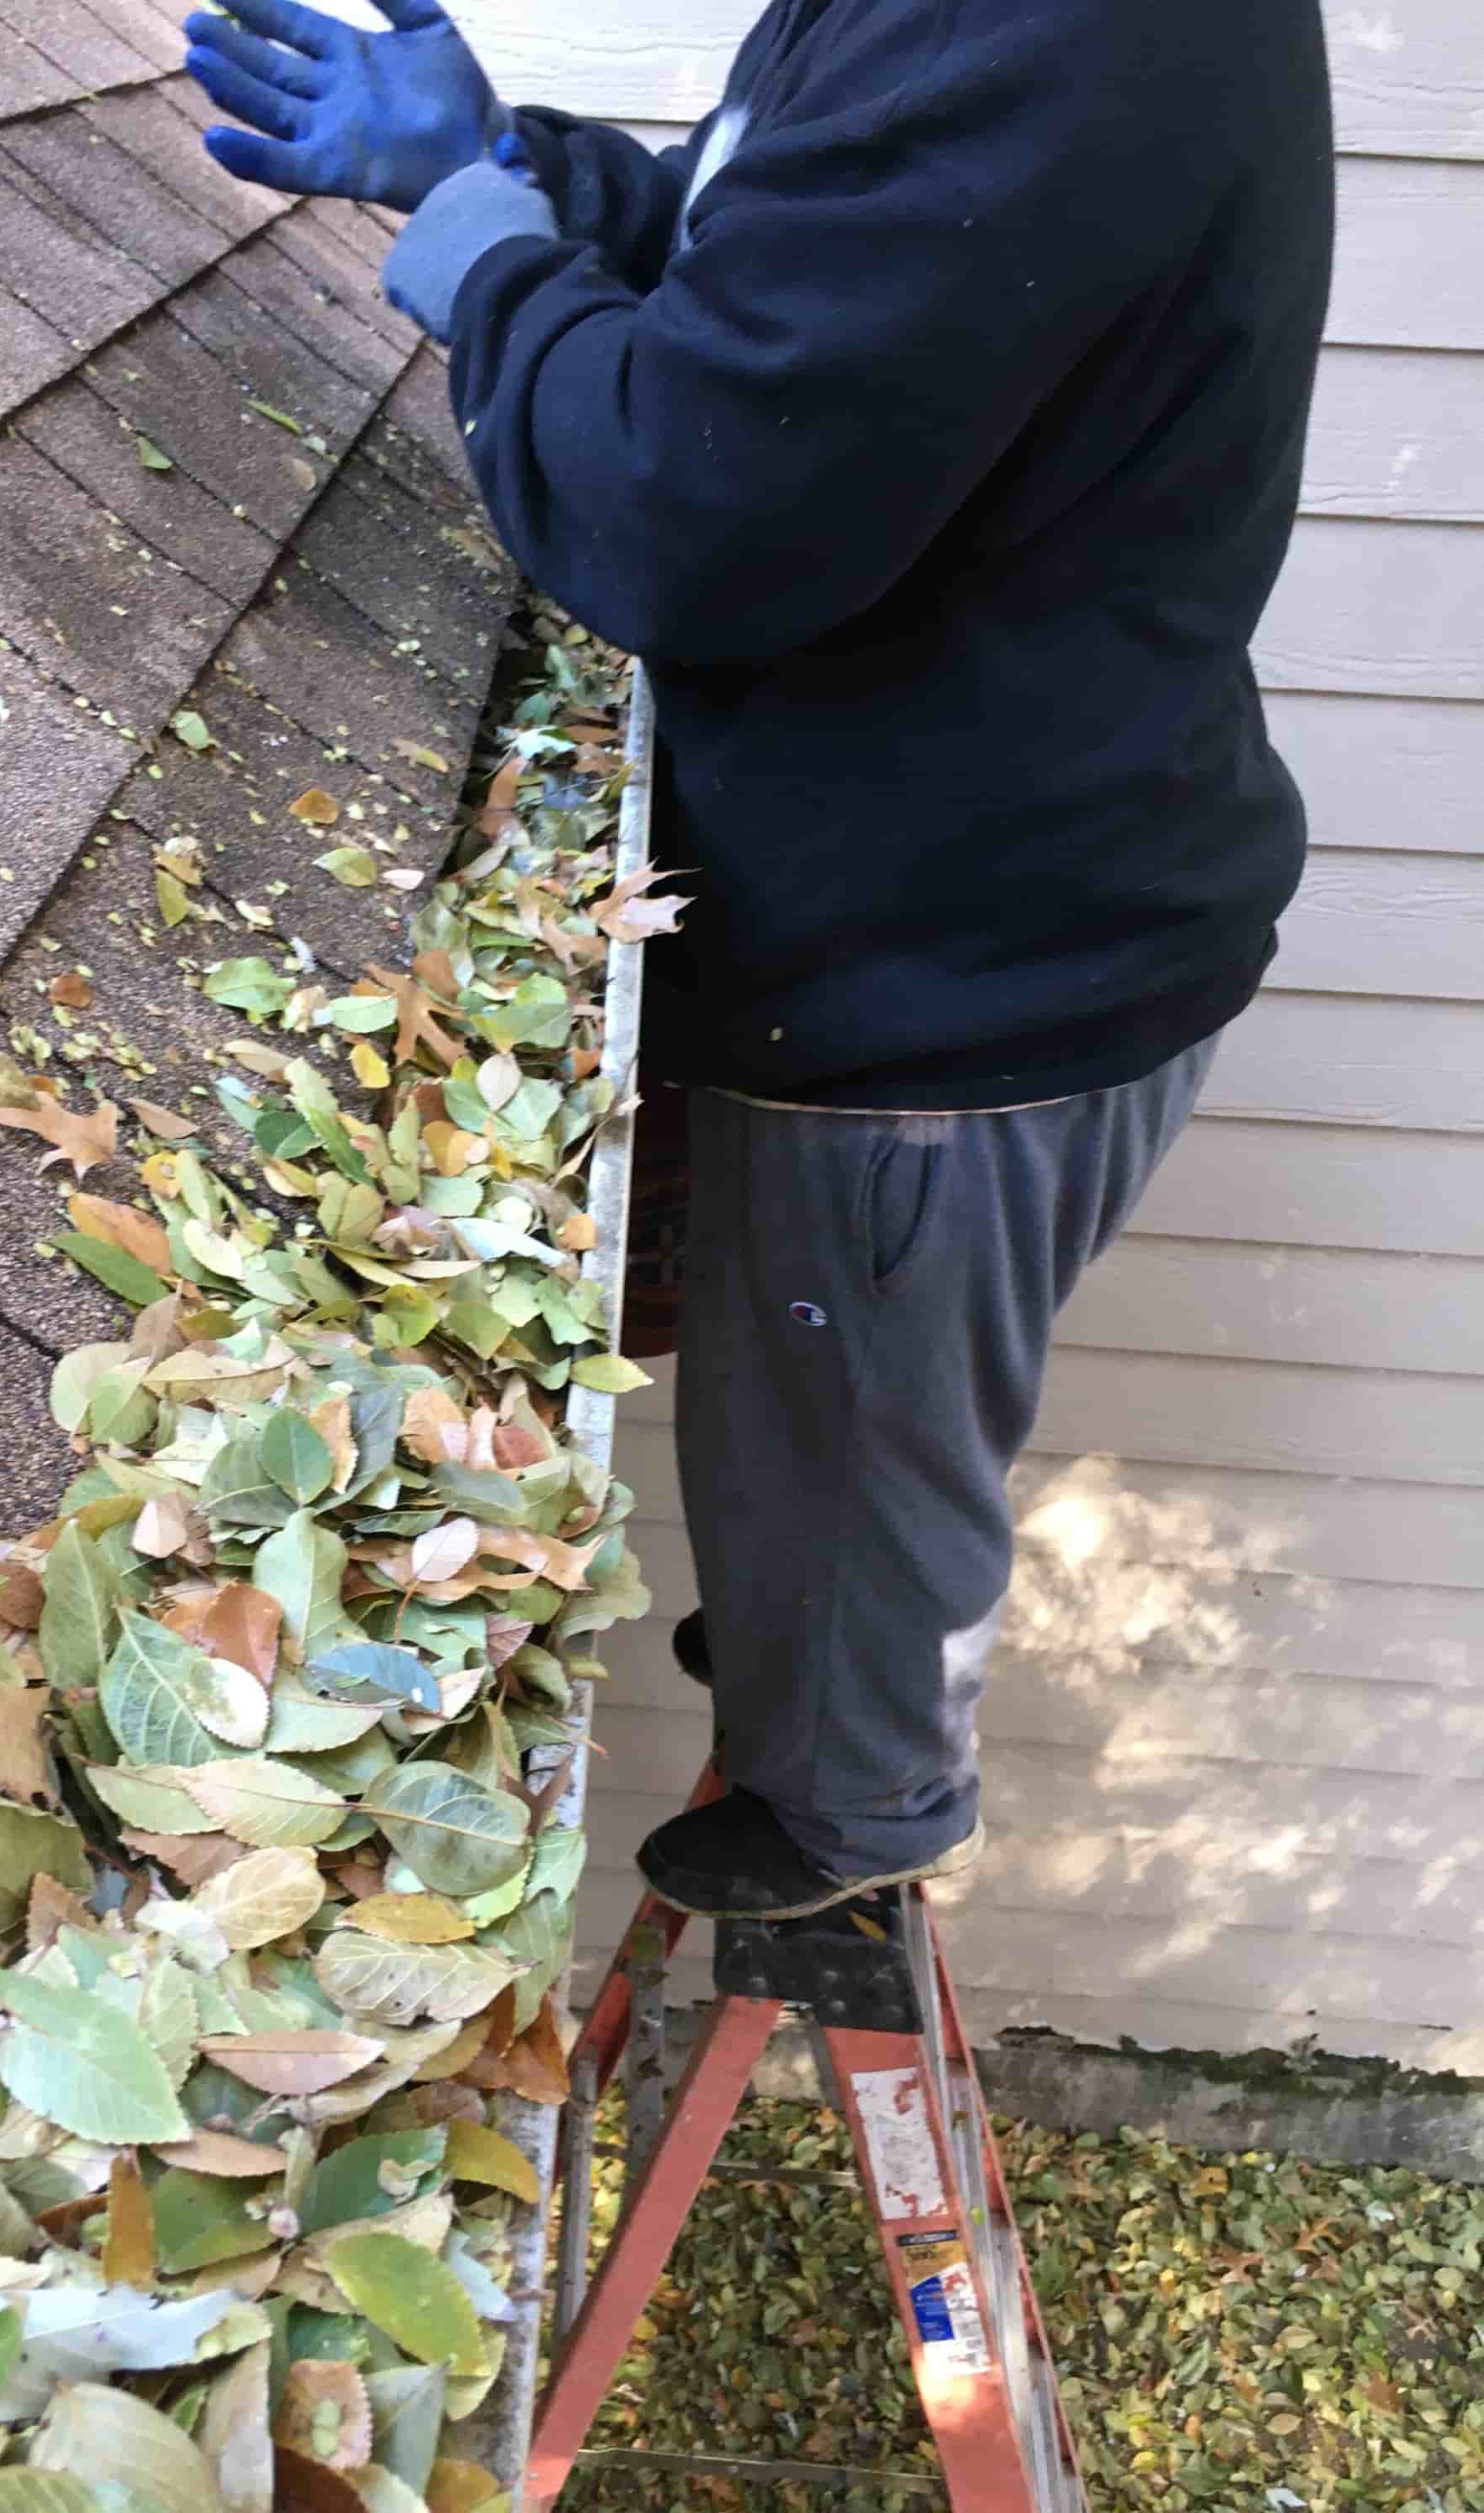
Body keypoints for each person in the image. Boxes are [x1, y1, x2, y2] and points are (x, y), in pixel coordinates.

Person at [183, 0, 1335, 1922]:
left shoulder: (1060, 26)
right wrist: (527, 166)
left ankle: (852, 1803)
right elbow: (799, 265)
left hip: (964, 1000)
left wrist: (480, 249)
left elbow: (686, 506)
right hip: (993, 892)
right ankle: (814, 1628)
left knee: (867, 1451)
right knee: (821, 1426)